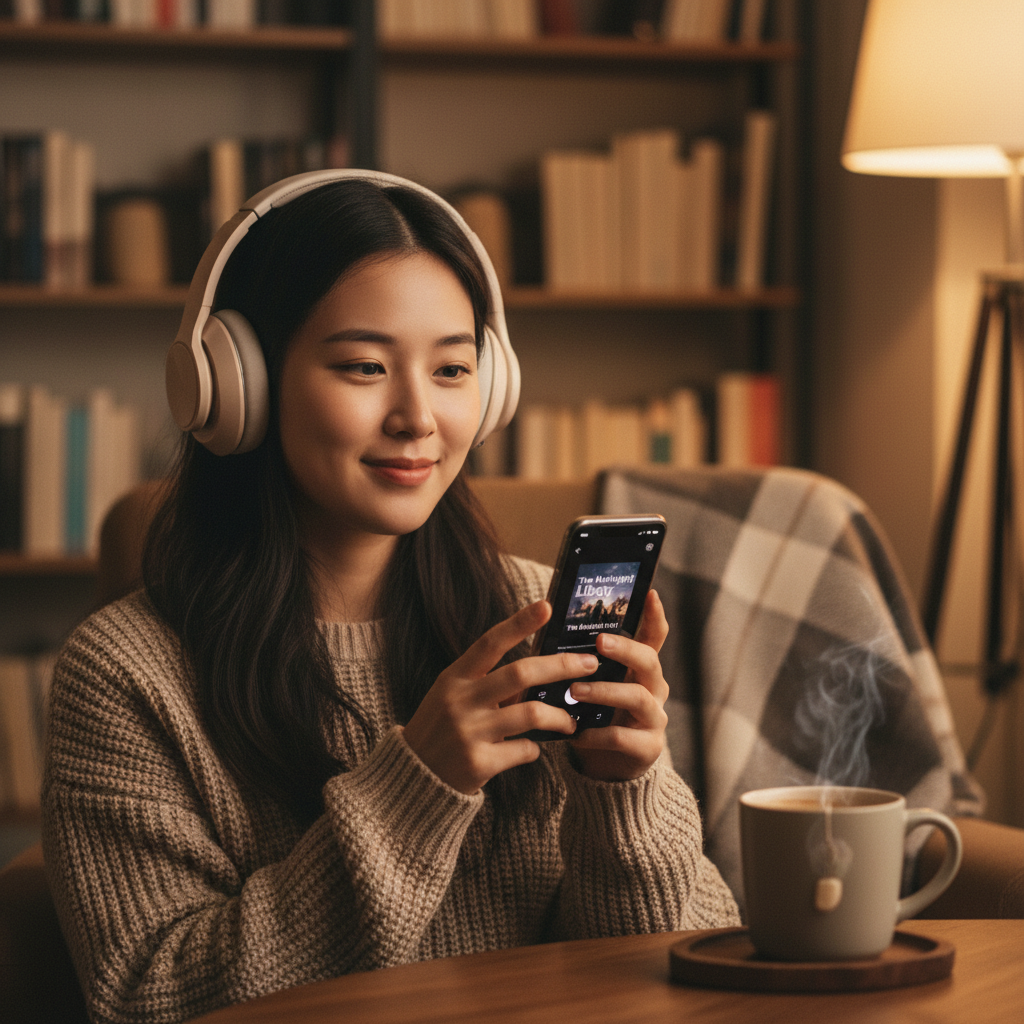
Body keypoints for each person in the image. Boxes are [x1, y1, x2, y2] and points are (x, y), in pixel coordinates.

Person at [42, 172, 739, 1024]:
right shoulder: (124, 674)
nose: (418, 417)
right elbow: (152, 1000)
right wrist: (418, 786)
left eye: (452, 369)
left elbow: (680, 971)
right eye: (365, 367)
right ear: (238, 384)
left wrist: (622, 795)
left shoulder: (533, 617)